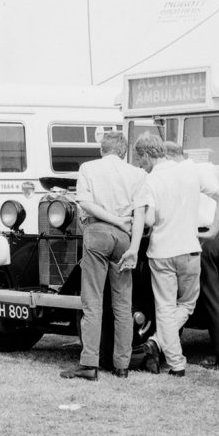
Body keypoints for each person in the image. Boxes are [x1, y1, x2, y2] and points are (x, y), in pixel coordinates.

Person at [134, 135, 219, 377]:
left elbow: (149, 220)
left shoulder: (150, 180)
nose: (139, 164)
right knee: (187, 305)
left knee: (165, 308)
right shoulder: (191, 172)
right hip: (189, 249)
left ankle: (175, 363)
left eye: (140, 159)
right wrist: (214, 230)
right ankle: (159, 345)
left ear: (147, 155)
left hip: (161, 251)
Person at [61, 130, 148, 380]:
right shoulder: (138, 173)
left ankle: (89, 363)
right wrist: (133, 247)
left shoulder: (88, 168)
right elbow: (140, 214)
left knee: (93, 301)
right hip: (124, 240)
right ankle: (122, 365)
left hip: (97, 232)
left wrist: (114, 221)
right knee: (123, 304)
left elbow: (85, 204)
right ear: (123, 152)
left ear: (102, 149)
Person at [163, 142, 219, 372]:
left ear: (169, 157)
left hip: (200, 238)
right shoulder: (206, 168)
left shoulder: (178, 175)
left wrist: (208, 232)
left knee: (183, 298)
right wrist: (216, 229)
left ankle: (172, 349)